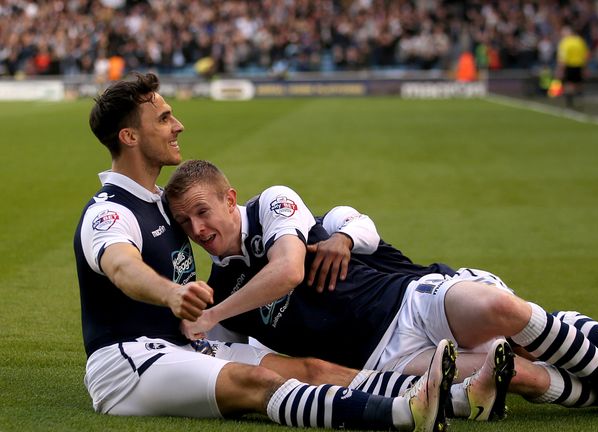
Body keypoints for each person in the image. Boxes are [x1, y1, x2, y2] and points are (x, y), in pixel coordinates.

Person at [164, 160, 598, 423]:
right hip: (389, 359)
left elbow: (286, 270)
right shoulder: (222, 288)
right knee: (513, 370)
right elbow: (227, 353)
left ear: (231, 199)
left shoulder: (272, 206)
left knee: (505, 312)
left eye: (203, 212)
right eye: (186, 224)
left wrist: (213, 316)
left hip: (410, 298)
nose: (198, 229)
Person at [73, 72, 452, 431]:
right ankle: (403, 414)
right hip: (129, 362)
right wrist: (171, 293)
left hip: (181, 346)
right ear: (130, 136)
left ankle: (454, 397)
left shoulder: (161, 204)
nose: (178, 125)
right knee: (256, 382)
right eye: (164, 118)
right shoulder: (110, 211)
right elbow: (122, 267)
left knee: (311, 369)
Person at [308, 205, 598, 402]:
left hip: (445, 289)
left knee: (529, 340)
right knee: (518, 370)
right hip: (408, 338)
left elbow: (358, 221)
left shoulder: (327, 226)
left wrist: (341, 239)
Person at [556, 25, 589, 109]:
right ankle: (579, 102)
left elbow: (563, 58)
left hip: (569, 65)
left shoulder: (565, 42)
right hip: (579, 65)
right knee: (578, 84)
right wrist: (585, 68)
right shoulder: (580, 41)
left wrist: (560, 70)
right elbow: (585, 55)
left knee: (569, 84)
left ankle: (570, 103)